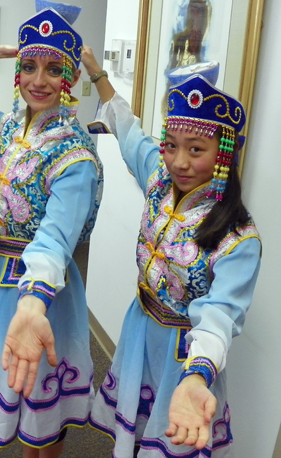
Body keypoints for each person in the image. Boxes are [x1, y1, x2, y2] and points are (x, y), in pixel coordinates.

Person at [81, 46, 261, 456]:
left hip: (183, 355)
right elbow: (128, 133)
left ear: (224, 155)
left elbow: (220, 318)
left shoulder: (238, 237)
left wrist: (197, 377)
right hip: (140, 328)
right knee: (132, 435)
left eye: (196, 149)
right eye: (172, 145)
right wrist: (97, 74)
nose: (180, 162)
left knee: (171, 442)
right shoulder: (161, 182)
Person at [0, 0, 103, 458]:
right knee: (16, 386)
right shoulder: (9, 129)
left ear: (70, 78)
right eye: (30, 66)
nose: (38, 80)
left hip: (45, 285)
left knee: (43, 403)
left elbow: (56, 238)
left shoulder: (75, 156)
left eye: (53, 68)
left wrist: (34, 298)